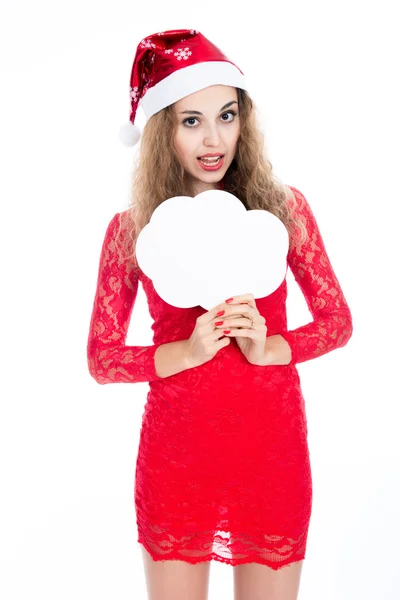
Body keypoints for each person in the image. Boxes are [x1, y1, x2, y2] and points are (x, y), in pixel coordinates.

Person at [86, 28, 353, 600]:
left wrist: (271, 346)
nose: (214, 138)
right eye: (191, 121)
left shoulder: (284, 210)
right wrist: (185, 351)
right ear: (161, 130)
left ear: (244, 120)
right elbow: (102, 359)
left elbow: (337, 321)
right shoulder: (131, 230)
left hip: (271, 453)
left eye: (227, 115)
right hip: (177, 460)